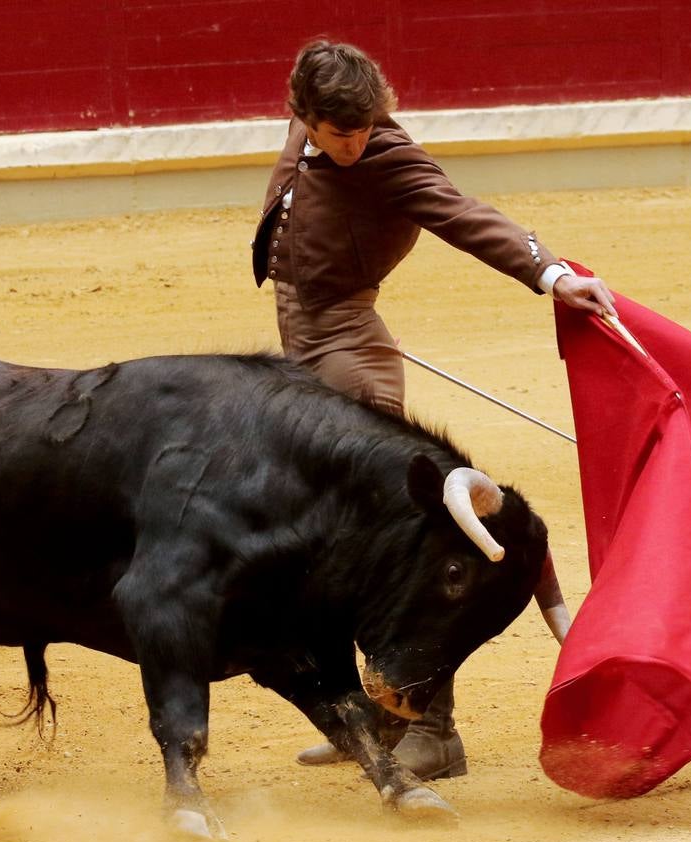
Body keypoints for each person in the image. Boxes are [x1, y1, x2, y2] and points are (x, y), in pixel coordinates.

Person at [251, 39, 616, 780]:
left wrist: (549, 274)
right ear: (305, 119)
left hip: (352, 359)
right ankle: (376, 719)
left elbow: (463, 215)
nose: (352, 145)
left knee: (402, 546)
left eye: (363, 129)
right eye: (337, 133)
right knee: (330, 548)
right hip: (304, 359)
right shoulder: (309, 120)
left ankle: (435, 730)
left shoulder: (387, 156)